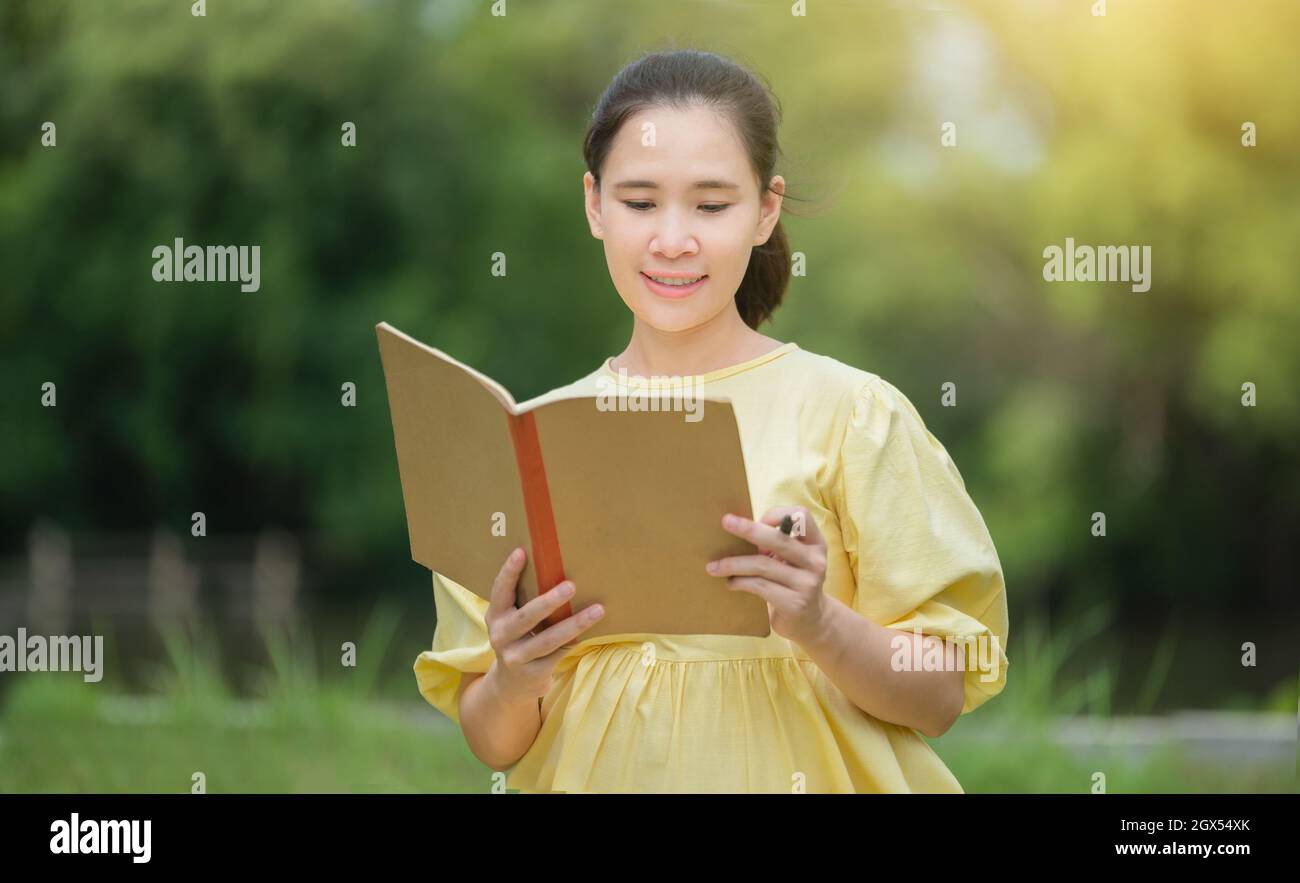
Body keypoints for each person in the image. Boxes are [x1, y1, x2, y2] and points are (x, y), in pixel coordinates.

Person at [415, 48, 1009, 793]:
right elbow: (493, 741)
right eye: (639, 203)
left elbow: (941, 693)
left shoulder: (854, 415)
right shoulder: (531, 446)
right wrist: (512, 673)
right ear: (594, 205)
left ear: (765, 209)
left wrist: (821, 622)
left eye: (711, 204)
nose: (672, 240)